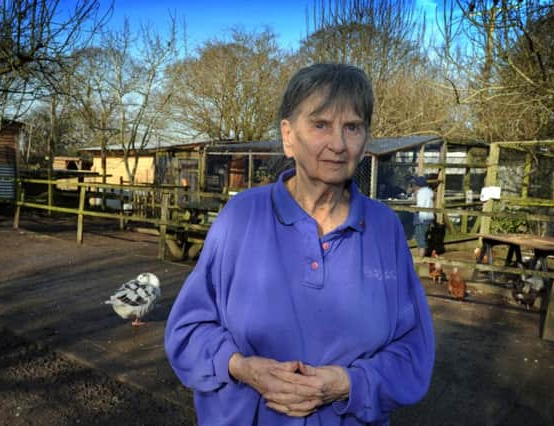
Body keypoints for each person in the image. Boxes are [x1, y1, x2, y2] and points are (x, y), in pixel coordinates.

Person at [164, 64, 435, 425]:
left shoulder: (384, 229)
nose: (338, 144)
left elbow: (412, 352)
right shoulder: (241, 217)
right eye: (320, 125)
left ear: (365, 138)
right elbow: (188, 331)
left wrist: (348, 383)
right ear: (288, 136)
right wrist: (240, 367)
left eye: (352, 127)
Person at [411, 176, 435, 257]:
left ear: (418, 185)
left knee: (420, 238)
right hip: (429, 217)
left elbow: (420, 206)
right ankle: (424, 255)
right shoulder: (429, 191)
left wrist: (411, 208)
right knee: (424, 237)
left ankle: (421, 258)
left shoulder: (420, 193)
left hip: (421, 218)